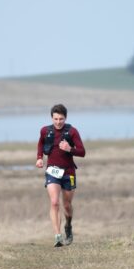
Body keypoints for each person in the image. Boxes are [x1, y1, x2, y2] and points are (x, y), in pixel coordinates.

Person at [36, 104, 85, 247]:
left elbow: (82, 152)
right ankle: (58, 236)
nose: (58, 122)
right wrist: (39, 157)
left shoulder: (72, 132)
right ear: (52, 118)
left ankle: (68, 225)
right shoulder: (45, 131)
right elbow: (40, 144)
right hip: (52, 171)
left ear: (66, 118)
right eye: (56, 119)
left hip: (68, 172)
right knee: (54, 202)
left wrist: (70, 149)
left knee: (67, 205)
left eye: (61, 119)